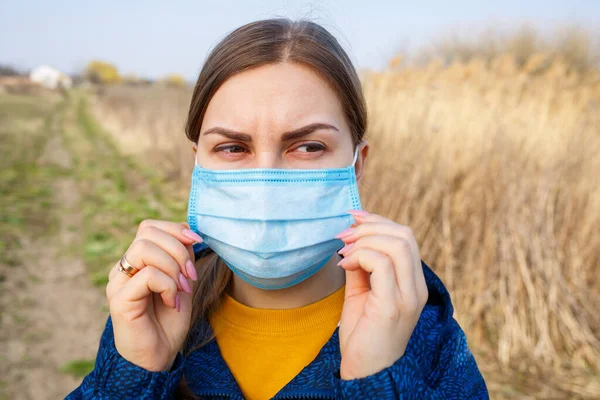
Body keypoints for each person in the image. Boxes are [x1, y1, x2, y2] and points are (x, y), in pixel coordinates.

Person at [67, 18, 489, 400]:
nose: (267, 182)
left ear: (356, 164)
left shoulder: (424, 334)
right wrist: (136, 372)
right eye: (233, 147)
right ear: (198, 162)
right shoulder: (159, 305)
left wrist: (375, 379)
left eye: (308, 146)